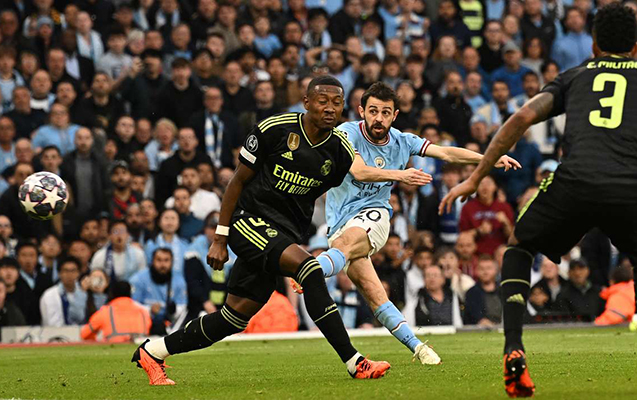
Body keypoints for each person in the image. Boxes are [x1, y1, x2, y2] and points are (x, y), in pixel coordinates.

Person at [133, 76, 393, 385]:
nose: (329, 108)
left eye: (336, 103)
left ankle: (153, 351)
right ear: (306, 102)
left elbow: (319, 193)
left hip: (283, 236)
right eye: (322, 101)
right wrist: (220, 237)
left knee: (233, 318)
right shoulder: (275, 129)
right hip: (248, 222)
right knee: (309, 269)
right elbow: (237, 181)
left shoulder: (340, 152)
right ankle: (355, 362)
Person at [439, 4, 637, 397]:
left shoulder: (575, 76)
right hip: (628, 186)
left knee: (519, 247)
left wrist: (476, 177)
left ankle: (513, 346)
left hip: (575, 182)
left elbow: (520, 119)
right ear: (635, 47)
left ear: (594, 45)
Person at [295, 82, 518, 364]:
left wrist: (489, 159)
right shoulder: (347, 133)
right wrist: (402, 175)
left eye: (385, 112)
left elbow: (446, 153)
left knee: (345, 244)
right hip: (340, 221)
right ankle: (419, 348)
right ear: (362, 111)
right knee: (375, 295)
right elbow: (360, 172)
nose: (378, 118)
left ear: (395, 115)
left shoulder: (403, 141)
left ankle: (310, 270)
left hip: (375, 215)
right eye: (373, 111)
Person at [130, 248, 187, 336]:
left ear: (172, 262)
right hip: (144, 325)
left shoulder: (179, 281)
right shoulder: (138, 279)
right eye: (159, 260)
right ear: (152, 261)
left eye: (166, 260)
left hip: (169, 326)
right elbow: (131, 305)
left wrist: (174, 310)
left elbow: (183, 308)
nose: (162, 264)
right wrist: (149, 310)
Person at [81, 280, 151, 342]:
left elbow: (84, 334)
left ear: (112, 294)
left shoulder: (105, 311)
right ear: (130, 293)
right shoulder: (143, 311)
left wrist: (96, 340)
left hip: (112, 348)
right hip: (140, 349)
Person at [39, 257, 87, 327]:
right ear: (59, 274)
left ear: (79, 273)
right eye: (66, 271)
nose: (69, 274)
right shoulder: (50, 295)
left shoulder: (83, 293)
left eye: (73, 271)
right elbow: (51, 323)